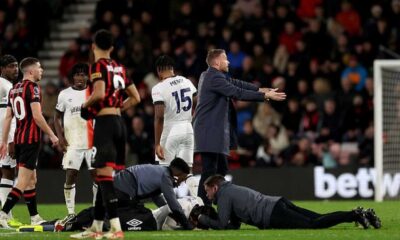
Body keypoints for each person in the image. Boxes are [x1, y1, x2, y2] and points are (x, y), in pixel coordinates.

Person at [71, 29, 140, 239]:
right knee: (104, 176)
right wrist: (117, 108)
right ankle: (97, 227)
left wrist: (86, 104)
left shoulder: (98, 66)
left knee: (104, 177)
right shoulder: (119, 67)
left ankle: (116, 229)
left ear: (93, 46)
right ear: (111, 47)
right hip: (119, 123)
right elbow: (136, 97)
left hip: (105, 124)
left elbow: (99, 93)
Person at [193, 49, 286, 204]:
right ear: (216, 62)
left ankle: (215, 203)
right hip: (208, 131)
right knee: (209, 172)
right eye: (225, 59)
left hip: (213, 131)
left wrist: (259, 89)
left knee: (221, 170)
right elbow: (236, 92)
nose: (228, 62)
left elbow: (236, 83)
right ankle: (201, 209)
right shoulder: (213, 78)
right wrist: (264, 96)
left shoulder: (212, 75)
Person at [193, 175, 381, 230]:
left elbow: (221, 225)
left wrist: (202, 218)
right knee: (318, 218)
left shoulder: (224, 196)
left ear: (215, 188)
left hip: (272, 214)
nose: (207, 195)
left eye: (208, 191)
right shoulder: (230, 189)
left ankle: (355, 215)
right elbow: (233, 226)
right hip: (277, 202)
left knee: (314, 224)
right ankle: (356, 213)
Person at [0, 57, 59, 228]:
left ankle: (34, 217)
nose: (42, 71)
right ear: (31, 71)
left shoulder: (14, 89)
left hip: (18, 139)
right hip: (30, 140)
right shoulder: (32, 88)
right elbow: (37, 116)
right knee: (23, 180)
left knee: (32, 179)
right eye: (40, 68)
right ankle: (3, 214)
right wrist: (53, 135)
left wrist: (4, 141)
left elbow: (8, 117)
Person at [54, 63, 97, 224]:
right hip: (73, 142)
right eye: (77, 75)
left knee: (97, 177)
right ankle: (71, 213)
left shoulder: (93, 93)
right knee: (71, 175)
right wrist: (60, 137)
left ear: (87, 77)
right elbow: (56, 117)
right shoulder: (64, 94)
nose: (80, 78)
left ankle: (95, 211)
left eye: (83, 74)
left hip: (93, 142)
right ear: (73, 77)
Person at [151, 55, 198, 196]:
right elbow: (199, 103)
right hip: (188, 128)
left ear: (159, 71)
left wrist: (157, 143)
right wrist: (190, 118)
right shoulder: (186, 81)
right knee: (187, 171)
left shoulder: (158, 88)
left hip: (170, 129)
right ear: (172, 69)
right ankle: (198, 203)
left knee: (165, 173)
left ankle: (169, 209)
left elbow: (159, 117)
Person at [112, 157, 194, 230]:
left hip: (120, 186)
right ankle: (108, 223)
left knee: (140, 211)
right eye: (182, 179)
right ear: (178, 172)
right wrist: (186, 223)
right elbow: (173, 203)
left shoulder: (161, 172)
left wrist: (166, 210)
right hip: (123, 189)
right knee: (141, 218)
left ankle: (108, 220)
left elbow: (156, 197)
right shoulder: (166, 176)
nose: (180, 183)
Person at [0, 55, 22, 227]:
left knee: (6, 172)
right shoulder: (6, 87)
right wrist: (9, 140)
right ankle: (5, 215)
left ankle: (5, 214)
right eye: (11, 66)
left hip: (4, 135)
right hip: (4, 136)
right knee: (8, 172)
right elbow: (6, 117)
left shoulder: (9, 86)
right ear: (3, 68)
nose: (15, 69)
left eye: (16, 66)